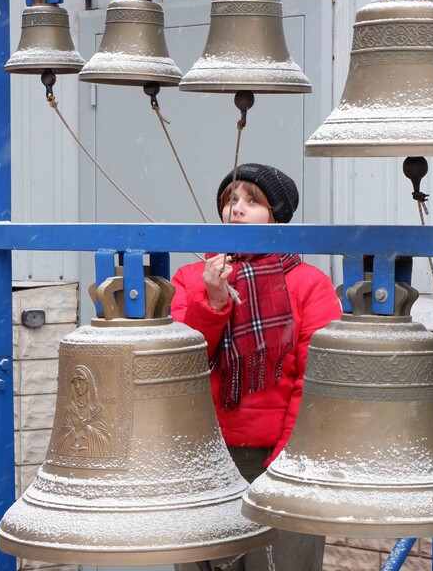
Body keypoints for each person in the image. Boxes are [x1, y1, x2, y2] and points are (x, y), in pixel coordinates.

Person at [171, 163, 341, 571]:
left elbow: (314, 379)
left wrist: (287, 459)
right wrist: (212, 303)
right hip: (204, 457)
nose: (238, 209)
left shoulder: (309, 283)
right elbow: (179, 366)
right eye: (230, 200)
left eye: (252, 201)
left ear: (276, 215)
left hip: (281, 458)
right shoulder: (191, 279)